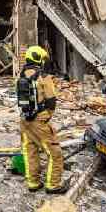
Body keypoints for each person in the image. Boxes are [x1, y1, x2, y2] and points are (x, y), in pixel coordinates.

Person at [16, 45, 66, 193]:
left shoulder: (21, 76)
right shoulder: (44, 78)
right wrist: (46, 117)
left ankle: (33, 182)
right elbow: (51, 102)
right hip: (39, 121)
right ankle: (53, 185)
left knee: (30, 151)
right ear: (39, 59)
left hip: (25, 120)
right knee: (54, 153)